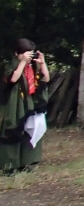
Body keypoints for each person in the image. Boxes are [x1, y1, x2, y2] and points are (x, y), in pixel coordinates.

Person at [0, 39, 49, 174]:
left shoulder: (32, 66)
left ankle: (28, 163)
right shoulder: (11, 65)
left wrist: (42, 63)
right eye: (25, 54)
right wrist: (22, 62)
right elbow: (13, 79)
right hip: (15, 103)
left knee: (30, 131)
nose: (28, 57)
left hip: (30, 103)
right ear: (17, 53)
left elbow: (46, 78)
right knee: (12, 130)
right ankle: (10, 165)